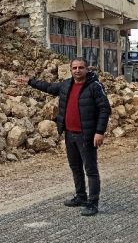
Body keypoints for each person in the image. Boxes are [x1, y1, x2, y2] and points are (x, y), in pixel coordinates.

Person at [16, 57, 111, 216]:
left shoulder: (95, 86)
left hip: (86, 136)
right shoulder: (66, 85)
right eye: (74, 68)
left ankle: (93, 203)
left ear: (87, 69)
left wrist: (99, 132)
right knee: (75, 167)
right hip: (69, 134)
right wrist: (30, 81)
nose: (77, 70)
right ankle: (81, 196)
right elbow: (48, 87)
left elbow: (105, 109)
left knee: (91, 170)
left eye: (81, 67)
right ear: (71, 69)